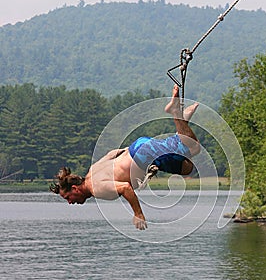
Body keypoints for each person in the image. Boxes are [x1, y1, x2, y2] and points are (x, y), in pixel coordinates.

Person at [50, 85, 200, 230]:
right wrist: (132, 150)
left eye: (68, 198)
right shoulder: (92, 171)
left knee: (193, 147)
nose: (70, 202)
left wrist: (138, 214)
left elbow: (125, 187)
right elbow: (112, 153)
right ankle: (182, 122)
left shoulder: (96, 188)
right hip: (138, 150)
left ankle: (176, 113)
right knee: (186, 168)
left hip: (143, 155)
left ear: (75, 189)